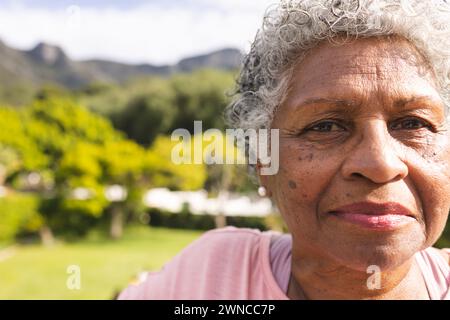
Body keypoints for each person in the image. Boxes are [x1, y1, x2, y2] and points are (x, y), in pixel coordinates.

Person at [119, 0, 450, 299]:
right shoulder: (212, 275)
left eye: (414, 124)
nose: (380, 164)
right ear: (265, 160)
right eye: (325, 126)